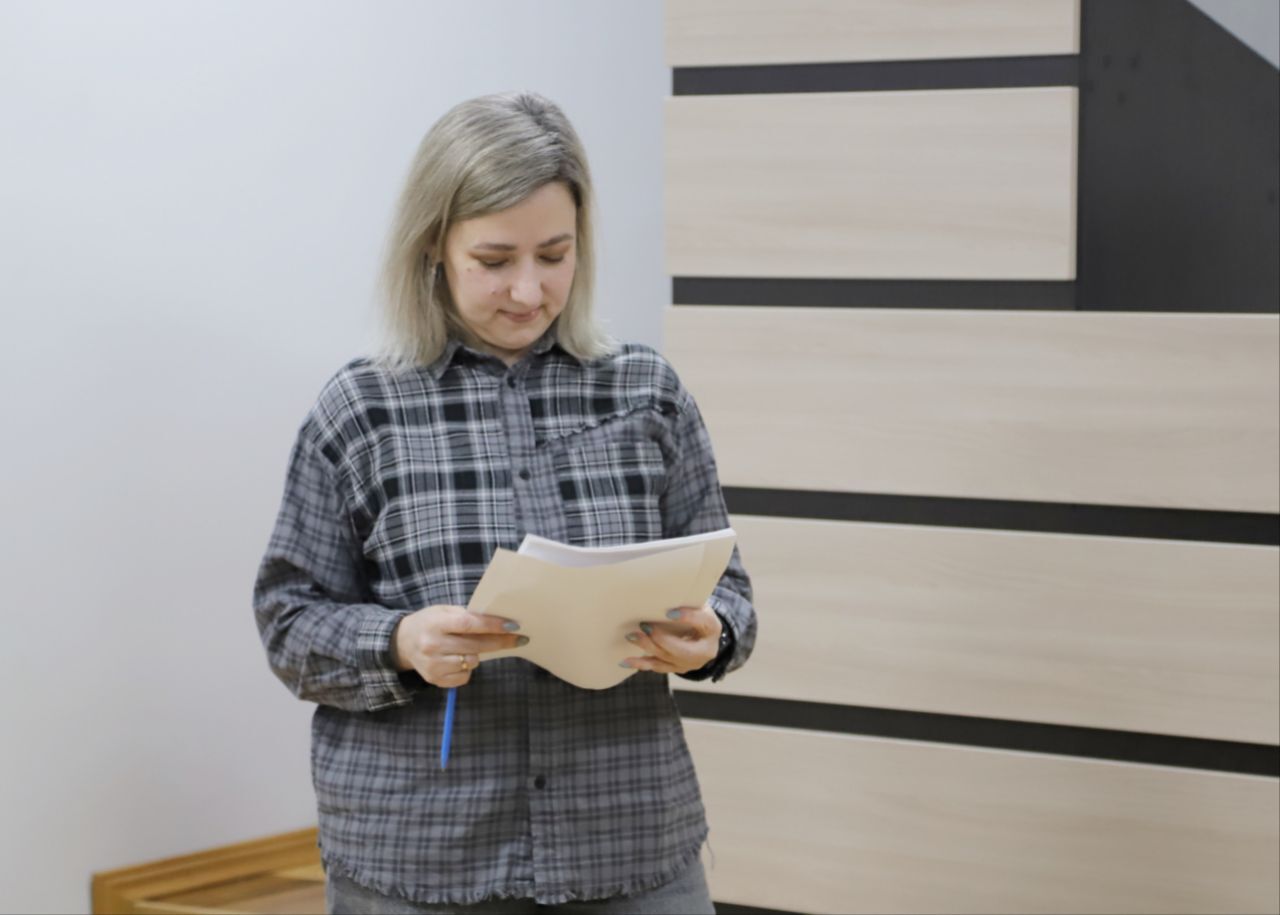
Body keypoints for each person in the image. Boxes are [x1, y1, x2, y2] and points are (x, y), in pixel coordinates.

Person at [253, 91, 757, 915]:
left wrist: (710, 634)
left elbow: (730, 591)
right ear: (433, 247)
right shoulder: (362, 409)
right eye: (494, 260)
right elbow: (288, 620)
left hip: (626, 839)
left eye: (555, 254)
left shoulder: (647, 393)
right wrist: (401, 641)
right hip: (422, 855)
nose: (528, 290)